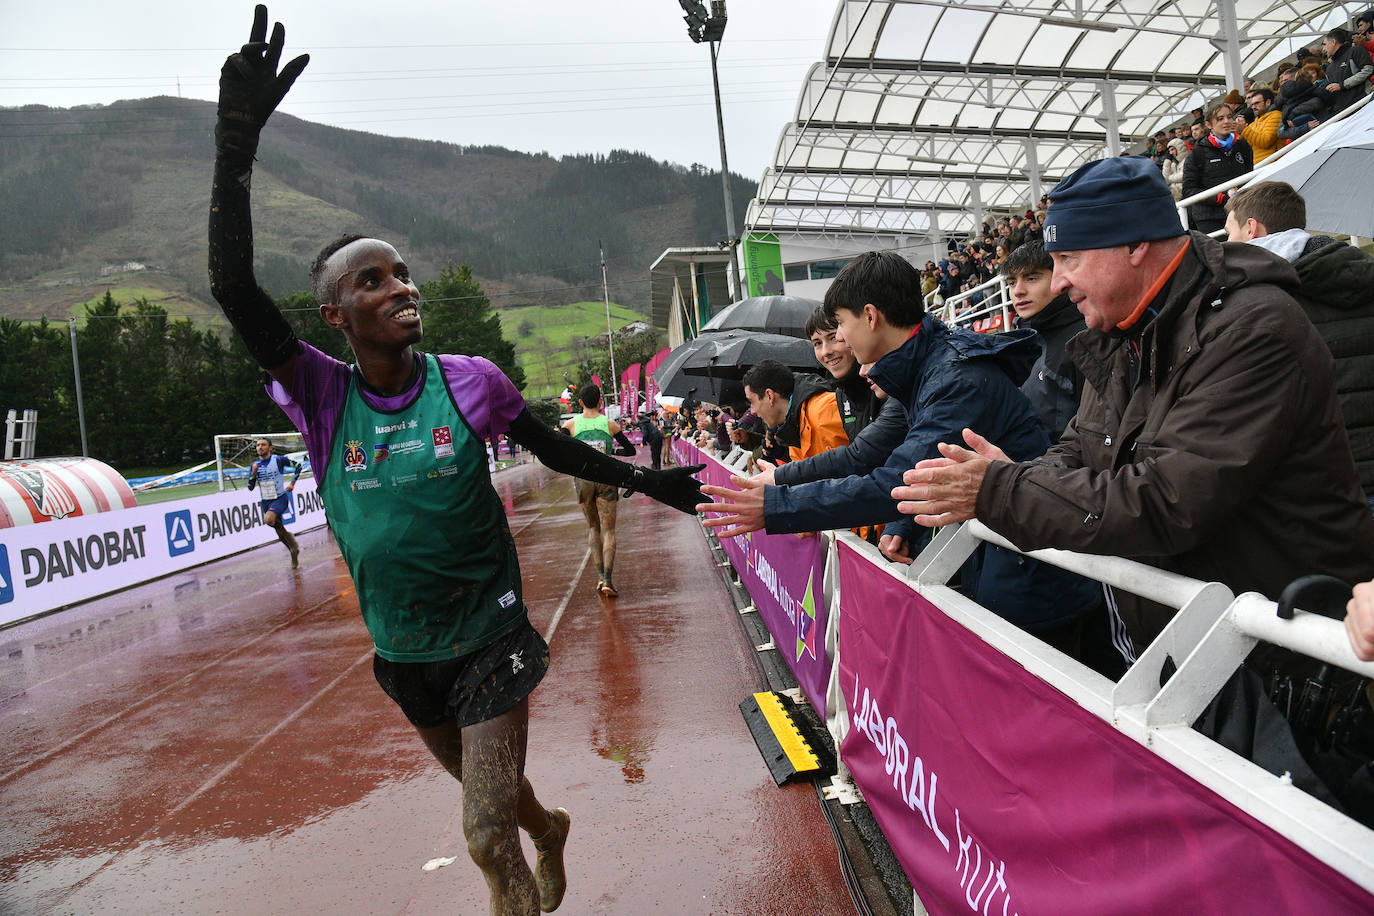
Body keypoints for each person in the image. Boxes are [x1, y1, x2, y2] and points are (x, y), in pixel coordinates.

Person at [207, 10, 703, 914]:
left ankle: (529, 847)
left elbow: (551, 444)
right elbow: (234, 290)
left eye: (401, 273)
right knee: (498, 800)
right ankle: (549, 827)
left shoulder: (468, 381)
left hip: (490, 634)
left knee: (480, 835)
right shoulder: (321, 396)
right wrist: (236, 144)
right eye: (372, 282)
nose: (400, 288)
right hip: (403, 648)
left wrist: (648, 479)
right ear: (336, 317)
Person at [891, 156, 1374, 665]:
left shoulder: (1253, 328)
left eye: (1070, 258)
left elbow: (1168, 500)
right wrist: (1015, 478)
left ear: (1136, 245)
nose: (1058, 283)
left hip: (1280, 662)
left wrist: (998, 488)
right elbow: (1080, 449)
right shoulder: (1123, 332)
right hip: (1193, 648)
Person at [1224, 181, 1374, 512]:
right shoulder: (1361, 271)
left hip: (1324, 486)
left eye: (1229, 232)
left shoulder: (1256, 298)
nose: (1228, 244)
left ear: (1251, 229)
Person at [561, 384, 636, 598]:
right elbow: (630, 450)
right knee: (609, 530)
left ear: (581, 402)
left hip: (583, 479)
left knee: (593, 528)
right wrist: (611, 451)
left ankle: (601, 575)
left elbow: (560, 447)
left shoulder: (571, 424)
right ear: (601, 401)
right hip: (606, 477)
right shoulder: (609, 424)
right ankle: (609, 581)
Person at [739, 359, 848, 464]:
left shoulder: (826, 409)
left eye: (752, 402)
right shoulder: (793, 427)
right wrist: (781, 454)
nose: (752, 411)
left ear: (769, 396)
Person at [1181, 104, 1253, 234]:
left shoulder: (1242, 145)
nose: (1226, 121)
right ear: (1209, 125)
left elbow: (1249, 176)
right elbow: (1189, 190)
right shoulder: (1197, 154)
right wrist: (1220, 198)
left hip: (1240, 211)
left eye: (1229, 117)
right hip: (1210, 217)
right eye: (1220, 118)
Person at [246, 436, 301, 566]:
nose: (260, 447)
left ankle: (291, 541)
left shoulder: (278, 460)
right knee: (278, 530)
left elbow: (298, 466)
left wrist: (292, 483)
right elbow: (250, 487)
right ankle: (292, 549)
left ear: (270, 448)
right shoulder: (254, 465)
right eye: (258, 445)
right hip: (266, 501)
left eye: (263, 445)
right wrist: (253, 473)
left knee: (268, 520)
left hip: (279, 498)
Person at [1322, 27, 1374, 114]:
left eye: (1325, 44)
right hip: (1345, 112)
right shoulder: (1329, 68)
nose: (1323, 49)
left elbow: (1368, 70)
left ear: (1333, 42)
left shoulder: (1355, 51)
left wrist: (1343, 85)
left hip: (1365, 104)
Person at [1241, 87, 1282, 164]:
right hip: (1260, 166)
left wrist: (1244, 130)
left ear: (1268, 102)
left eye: (1256, 103)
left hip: (1273, 165)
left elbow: (1266, 141)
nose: (1253, 107)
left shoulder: (1276, 116)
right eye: (1252, 104)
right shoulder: (1254, 123)